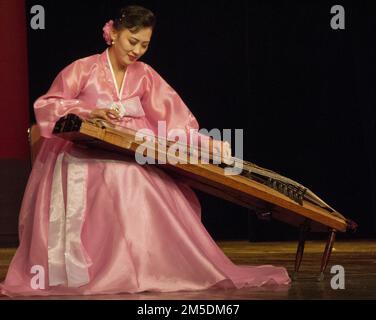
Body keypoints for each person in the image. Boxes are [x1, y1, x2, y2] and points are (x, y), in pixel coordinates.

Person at [0, 5, 290, 297]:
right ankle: (108, 268)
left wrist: (207, 144)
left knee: (151, 181)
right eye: (132, 41)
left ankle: (152, 266)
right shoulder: (82, 69)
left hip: (130, 149)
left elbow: (175, 119)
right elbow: (49, 105)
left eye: (144, 45)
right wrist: (90, 111)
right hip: (82, 151)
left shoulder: (145, 75)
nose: (137, 50)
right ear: (113, 33)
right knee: (124, 177)